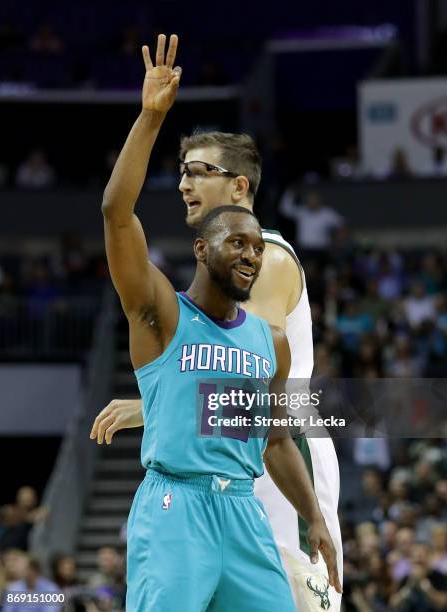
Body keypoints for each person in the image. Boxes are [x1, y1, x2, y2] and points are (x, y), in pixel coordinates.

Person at [91, 33, 343, 610]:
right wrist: (149, 119)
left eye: (198, 171)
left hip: (265, 476)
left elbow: (254, 400)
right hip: (195, 490)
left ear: (240, 187)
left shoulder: (271, 262)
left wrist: (151, 403)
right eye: (181, 173)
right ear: (204, 252)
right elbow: (116, 212)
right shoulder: (180, 300)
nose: (183, 183)